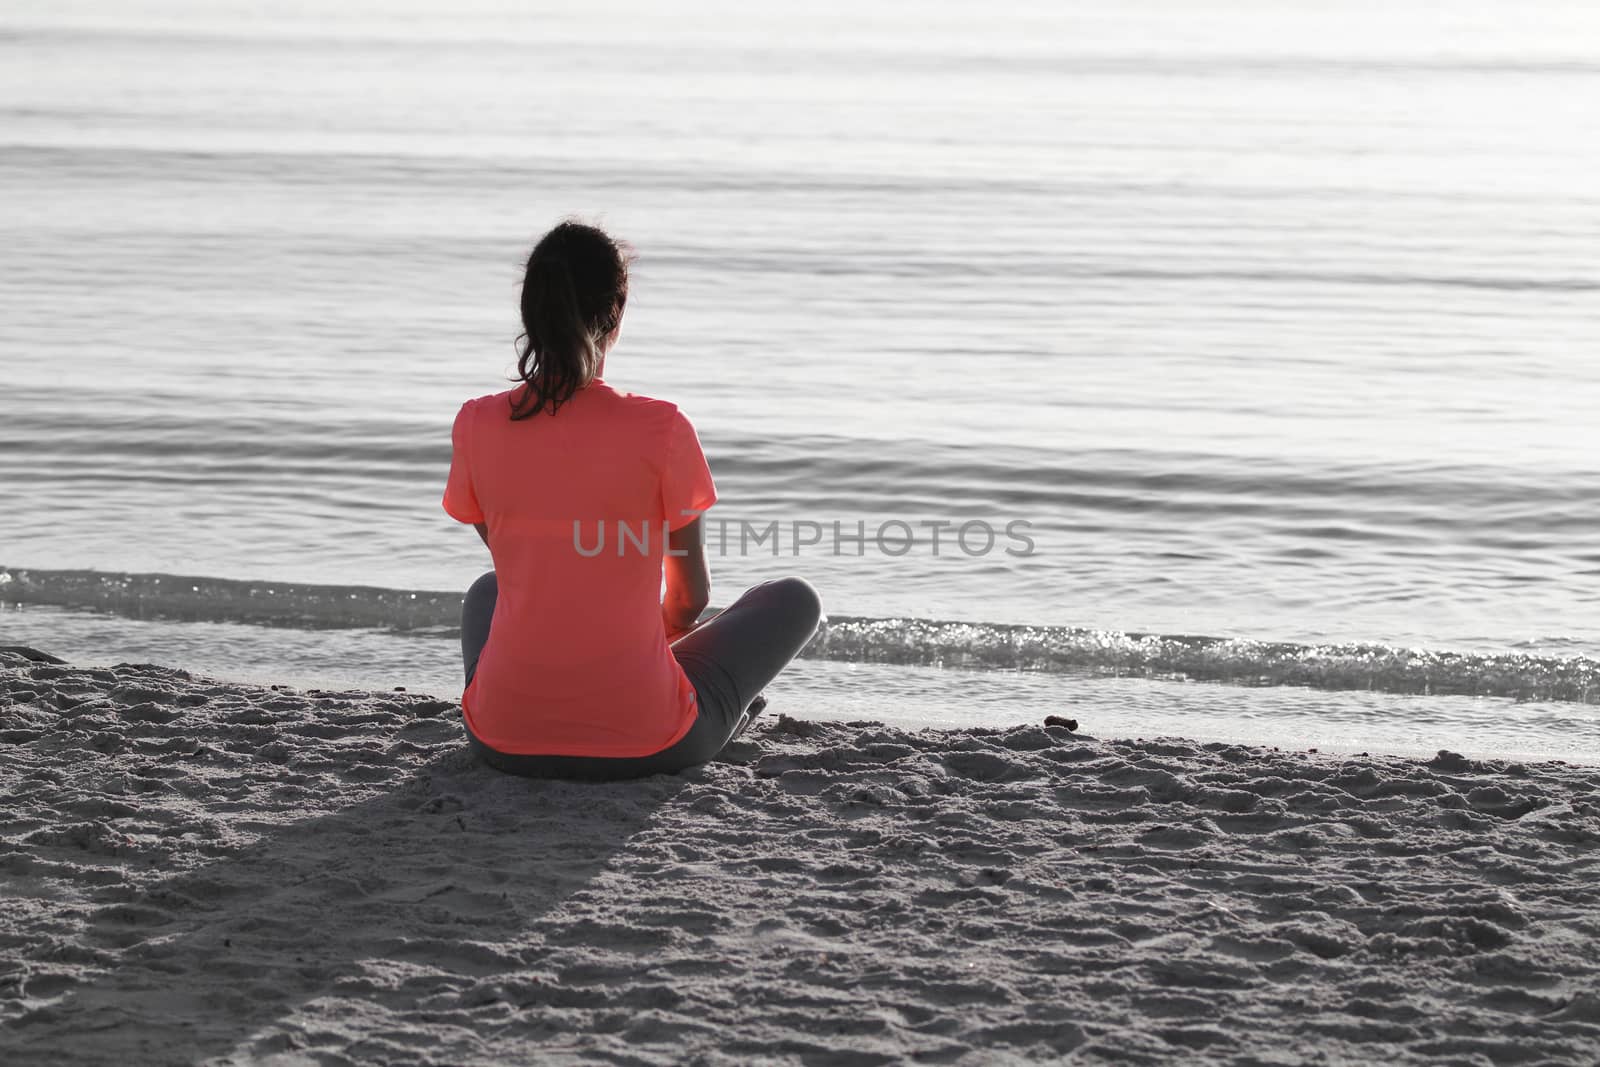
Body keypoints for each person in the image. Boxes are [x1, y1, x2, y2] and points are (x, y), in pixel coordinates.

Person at [442, 220, 823, 781]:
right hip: (648, 741)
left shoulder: (476, 422)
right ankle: (714, 713)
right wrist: (649, 645)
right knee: (795, 599)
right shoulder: (660, 427)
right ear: (615, 316)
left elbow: (515, 557)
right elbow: (690, 598)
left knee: (488, 589)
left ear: (532, 313)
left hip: (501, 740)